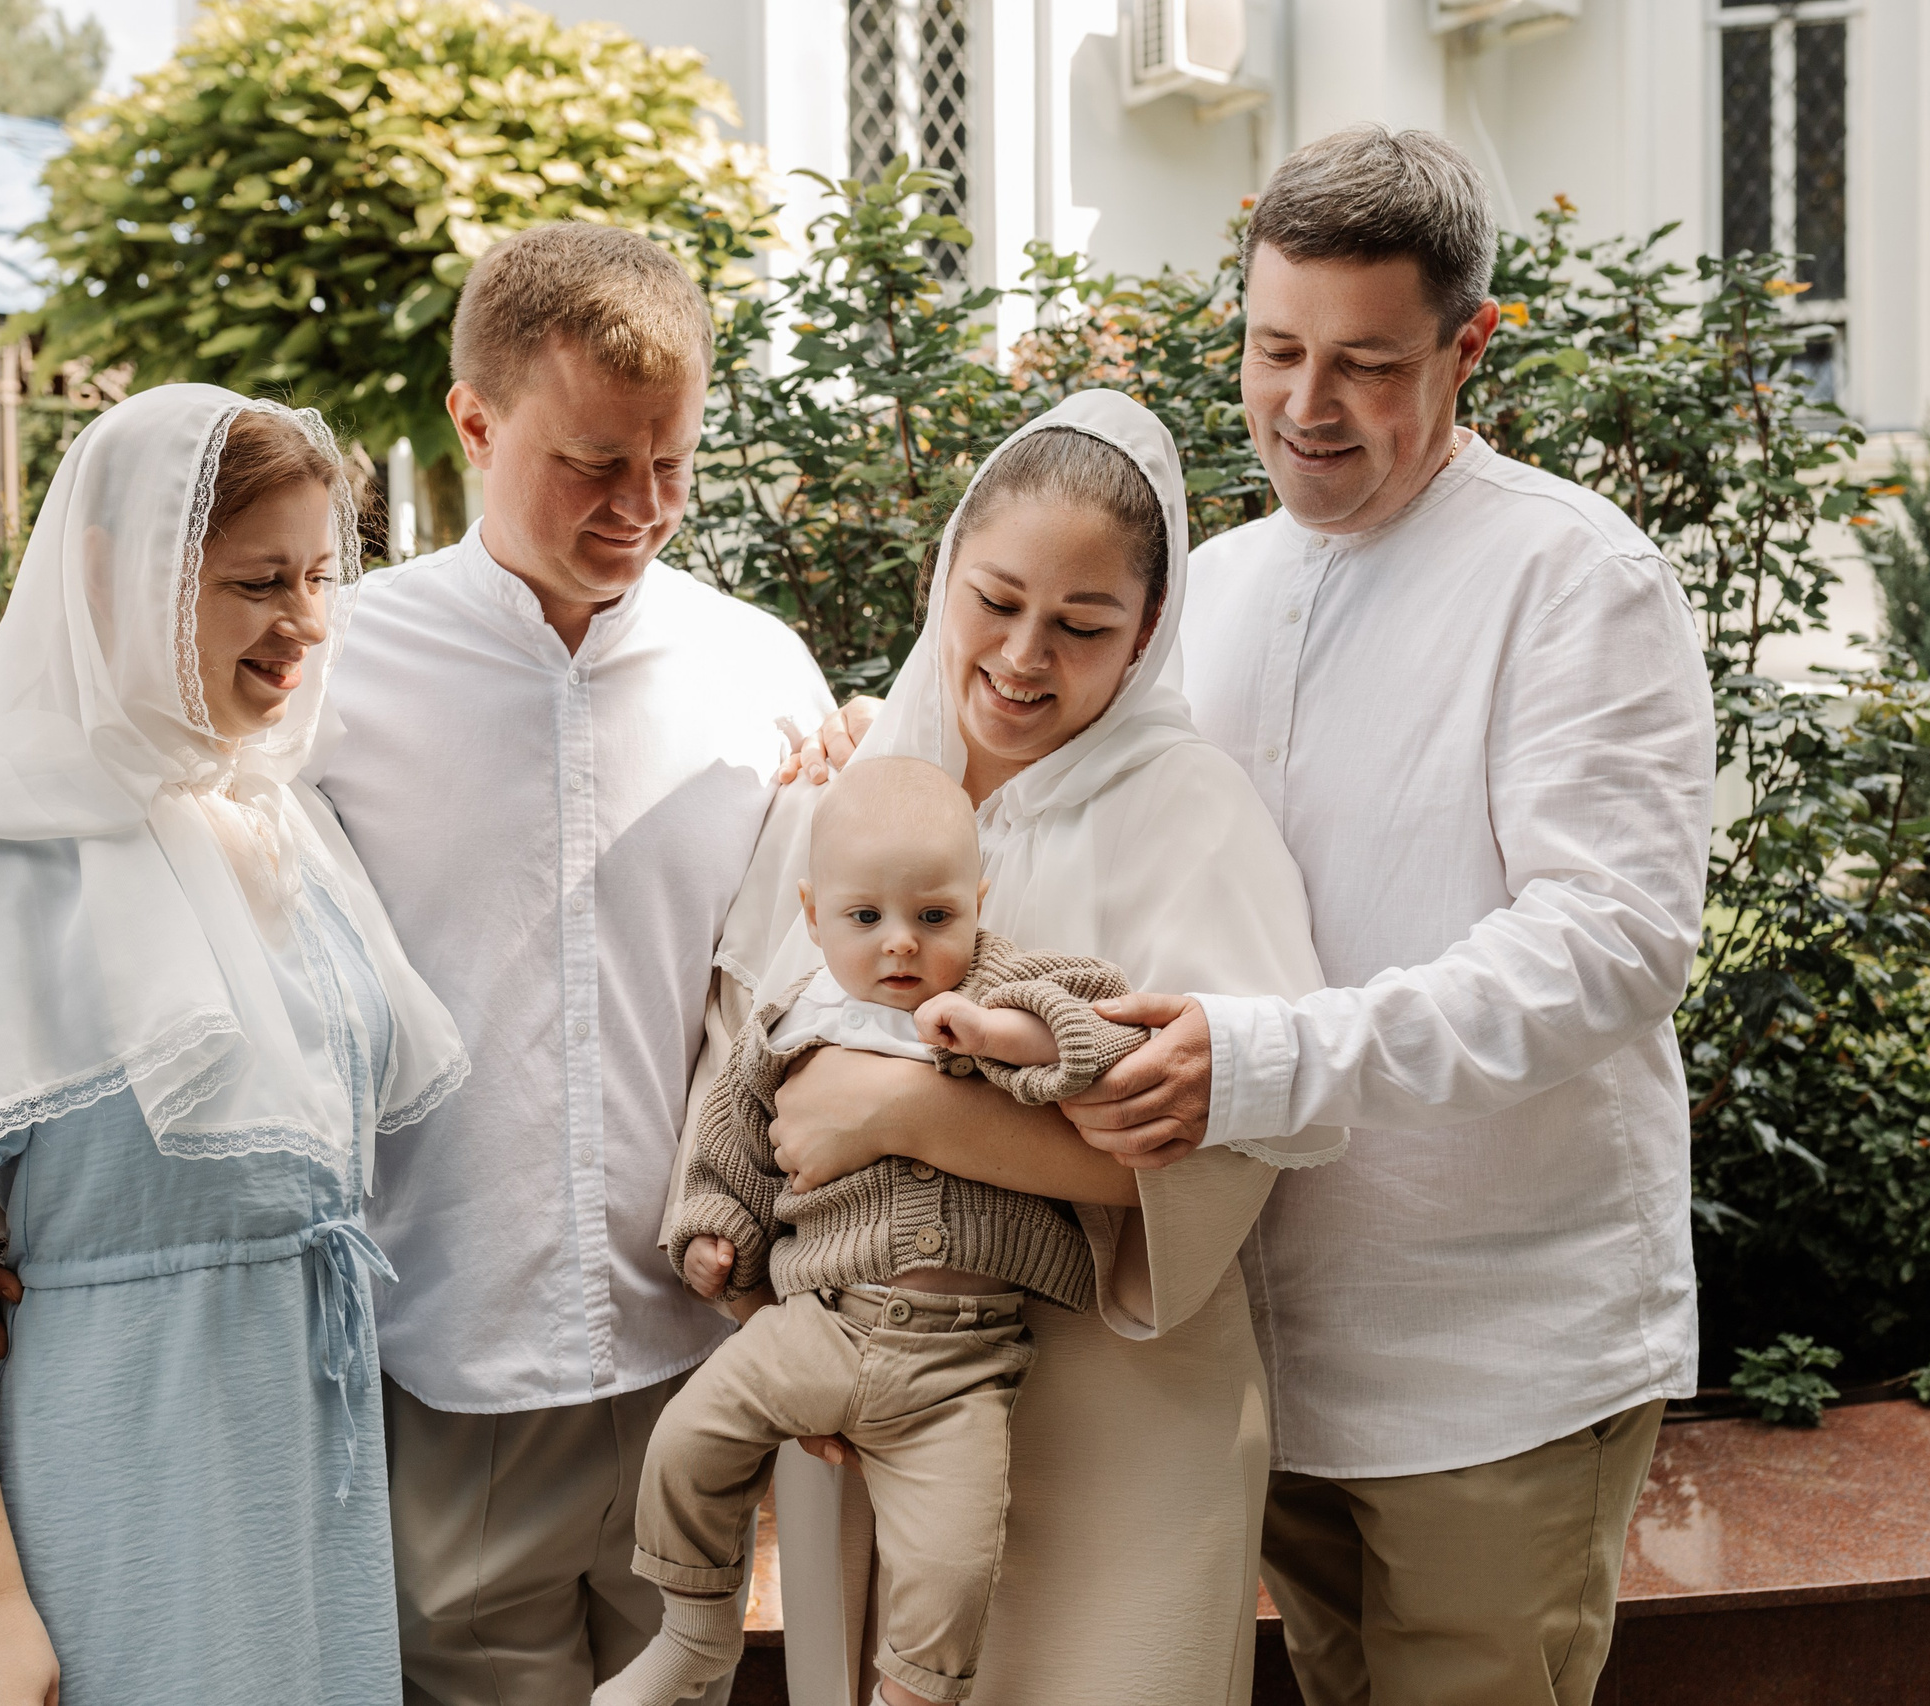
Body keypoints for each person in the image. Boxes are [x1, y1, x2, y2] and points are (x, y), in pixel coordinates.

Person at [1047, 127, 1715, 1705]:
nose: (1302, 405)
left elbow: (1611, 942)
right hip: (1261, 1360)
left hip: (1495, 1370)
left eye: (1363, 362)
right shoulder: (1210, 585)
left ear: (1469, 346)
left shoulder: (1574, 578)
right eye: (1275, 348)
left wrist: (1274, 1060)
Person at [0, 385, 469, 1706]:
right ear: (108, 576)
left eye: (317, 575)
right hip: (129, 1452)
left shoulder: (277, 815)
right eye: (258, 581)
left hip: (309, 1456)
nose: (304, 619)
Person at [738, 389, 1342, 1704]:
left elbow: (1200, 1155)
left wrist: (902, 1111)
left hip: (1123, 1411)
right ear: (945, 572)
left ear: (1145, 639)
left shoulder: (1191, 812)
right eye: (994, 600)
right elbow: (754, 1092)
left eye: (1082, 626)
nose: (1022, 655)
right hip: (880, 1383)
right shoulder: (871, 780)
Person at [305, 222, 836, 1706]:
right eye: (595, 462)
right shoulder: (332, 675)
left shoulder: (763, 673)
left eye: (673, 462)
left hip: (703, 1363)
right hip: (452, 1365)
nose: (642, 507)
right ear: (473, 422)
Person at [603, 754, 1150, 1706]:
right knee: (688, 1441)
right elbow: (729, 1145)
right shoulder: (790, 1023)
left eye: (934, 917)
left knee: (954, 1561)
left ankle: (916, 1697)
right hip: (820, 1322)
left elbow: (1108, 1032)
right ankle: (693, 1636)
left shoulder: (1001, 987)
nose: (901, 945)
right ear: (814, 917)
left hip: (960, 1365)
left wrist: (1003, 1034)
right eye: (866, 920)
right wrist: (710, 1232)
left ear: (977, 902)